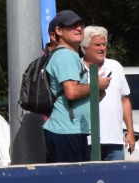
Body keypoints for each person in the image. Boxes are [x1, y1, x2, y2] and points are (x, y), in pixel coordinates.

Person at [43, 9, 100, 162]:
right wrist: (96, 85)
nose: (79, 28)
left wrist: (98, 90)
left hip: (72, 130)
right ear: (58, 30)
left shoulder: (71, 55)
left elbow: (79, 94)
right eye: (72, 25)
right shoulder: (65, 55)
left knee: (77, 181)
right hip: (65, 131)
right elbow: (72, 92)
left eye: (80, 24)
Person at [81, 25, 133, 160]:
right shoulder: (76, 67)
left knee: (117, 180)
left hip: (114, 140)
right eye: (97, 45)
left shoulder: (115, 66)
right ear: (85, 47)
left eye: (104, 44)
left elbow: (125, 100)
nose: (102, 48)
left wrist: (130, 132)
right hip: (87, 140)